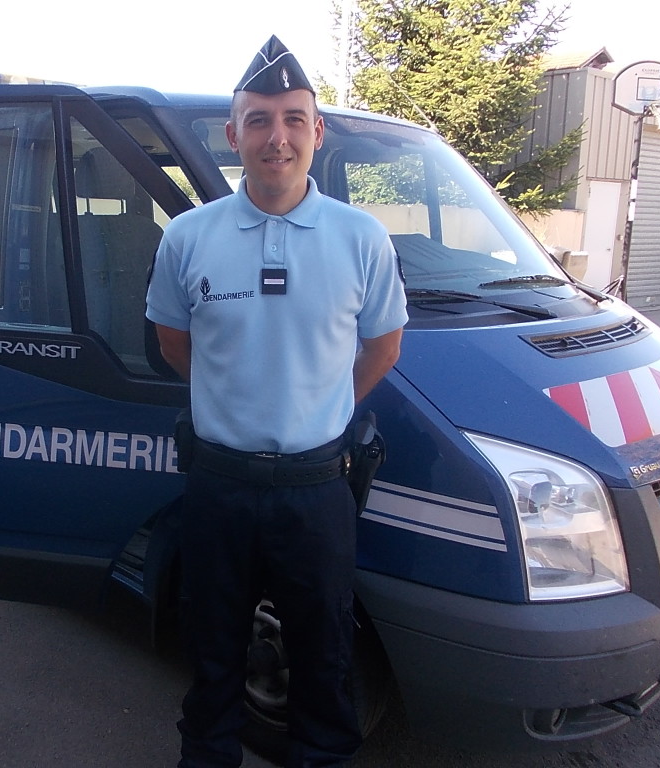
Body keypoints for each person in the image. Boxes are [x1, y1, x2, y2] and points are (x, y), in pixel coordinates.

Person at [146, 37, 408, 767]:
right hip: (219, 487)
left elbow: (383, 348)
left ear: (317, 134)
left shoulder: (361, 239)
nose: (277, 136)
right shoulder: (189, 238)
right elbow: (173, 341)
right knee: (212, 651)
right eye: (258, 120)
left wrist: (322, 406)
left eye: (294, 118)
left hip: (316, 489)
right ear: (232, 136)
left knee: (323, 663)